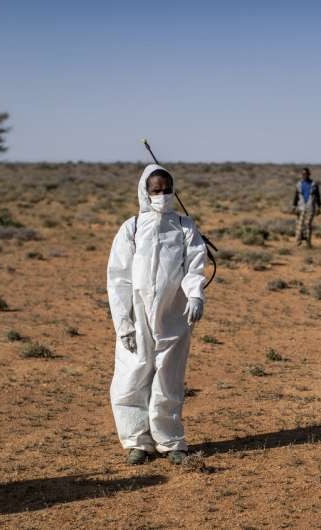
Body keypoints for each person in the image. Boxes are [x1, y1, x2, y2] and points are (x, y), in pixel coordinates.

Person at [107, 164, 207, 465]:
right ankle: (137, 442)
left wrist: (195, 294)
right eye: (156, 190)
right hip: (137, 315)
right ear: (145, 192)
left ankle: (169, 440)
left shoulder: (184, 226)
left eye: (167, 190)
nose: (162, 195)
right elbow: (118, 278)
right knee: (132, 374)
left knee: (168, 375)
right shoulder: (132, 228)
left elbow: (194, 265)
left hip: (173, 312)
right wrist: (123, 322)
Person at [293, 167, 321, 247]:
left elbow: (318, 196)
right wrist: (294, 206)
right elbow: (296, 196)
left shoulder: (314, 184)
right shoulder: (299, 184)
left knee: (308, 224)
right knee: (300, 225)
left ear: (309, 174)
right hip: (301, 207)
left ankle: (307, 243)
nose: (304, 175)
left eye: (305, 174)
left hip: (310, 207)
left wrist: (319, 207)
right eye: (303, 174)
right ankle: (298, 242)